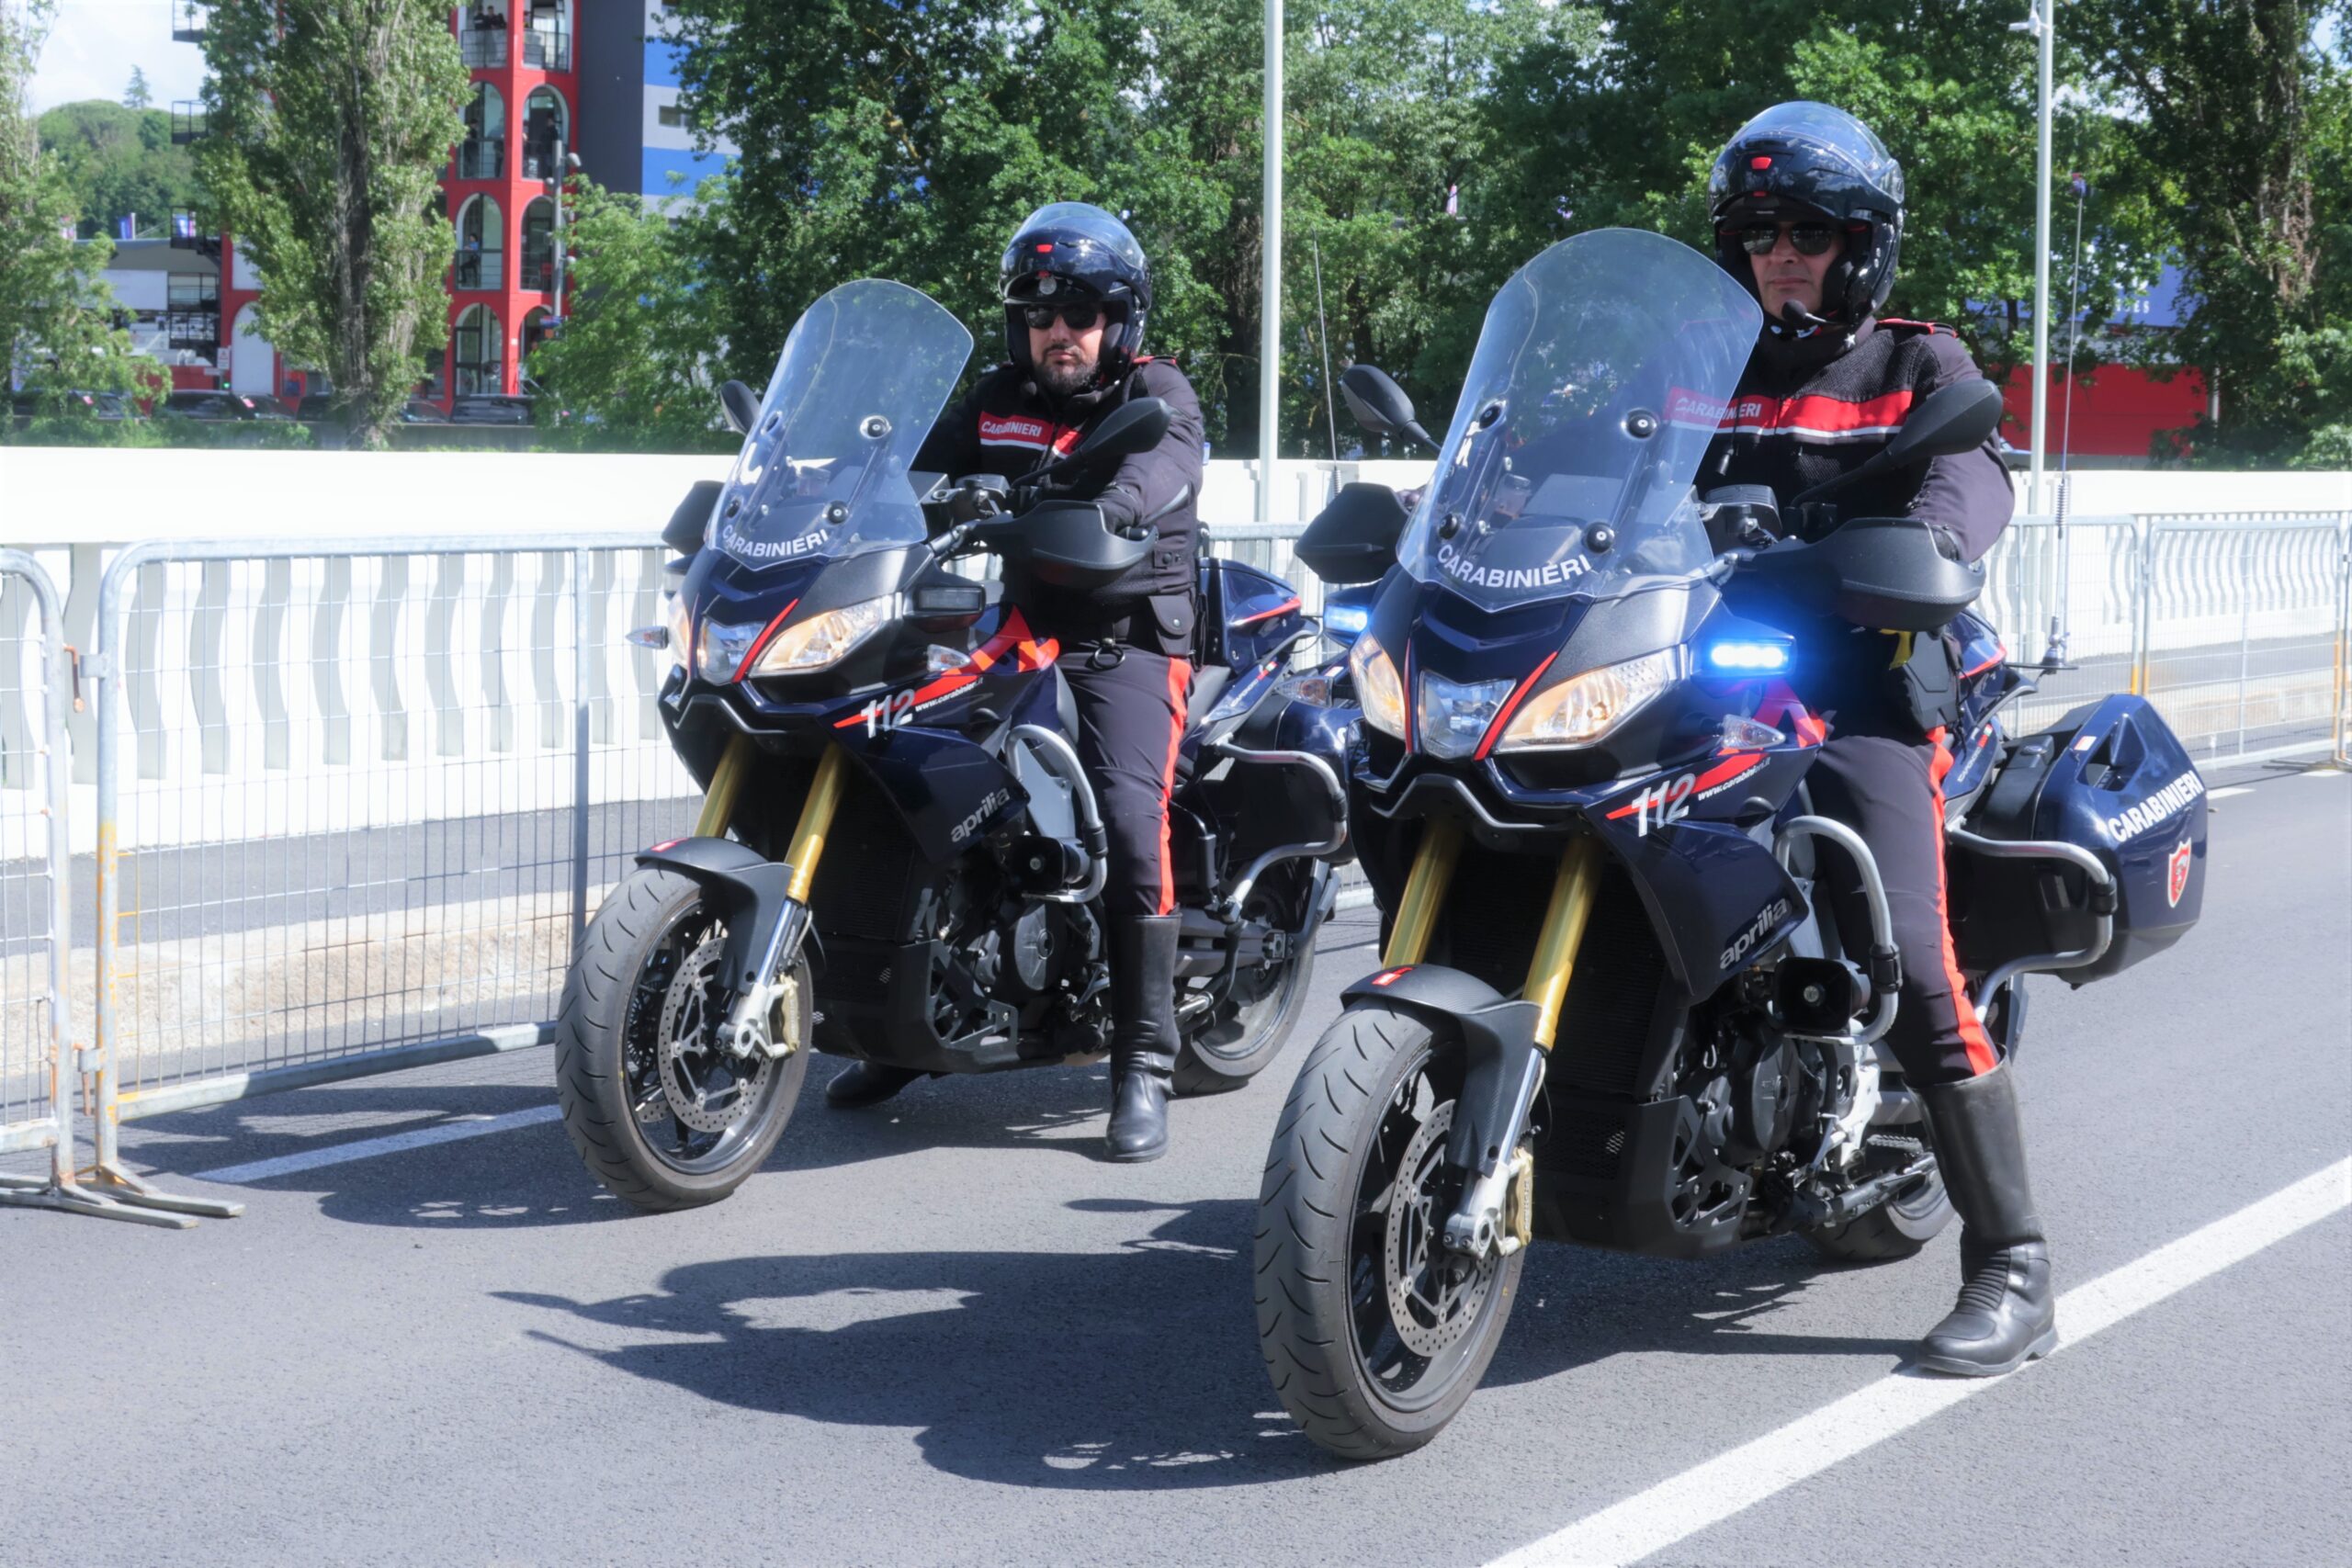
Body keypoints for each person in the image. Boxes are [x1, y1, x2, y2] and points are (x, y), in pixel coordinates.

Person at [1701, 103, 2051, 1376]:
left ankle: (2013, 1262)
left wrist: (1937, 542)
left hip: (1863, 681)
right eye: (1758, 234)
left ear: (1861, 245)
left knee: (1904, 948)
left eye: (1807, 231)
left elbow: (1975, 477)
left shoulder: (1914, 362)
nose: (1780, 255)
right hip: (1695, 679)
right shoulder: (1702, 363)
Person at [822, 202, 1206, 1164]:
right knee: (905, 772)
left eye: (1078, 313)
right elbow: (905, 467)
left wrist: (1105, 502)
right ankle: (900, 1027)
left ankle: (1143, 1062)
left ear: (1118, 320)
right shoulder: (998, 397)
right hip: (1021, 629)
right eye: (1039, 315)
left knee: (1130, 822)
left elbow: (1160, 469)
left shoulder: (1157, 392)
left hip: (1125, 643)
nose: (1057, 331)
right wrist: (828, 478)